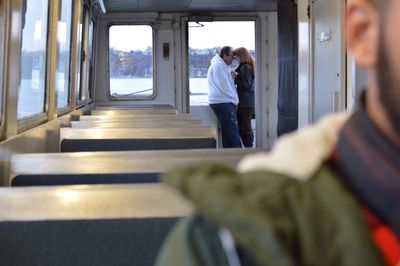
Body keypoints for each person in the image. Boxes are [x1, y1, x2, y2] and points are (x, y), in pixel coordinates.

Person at [155, 0, 400, 265]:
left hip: (239, 103)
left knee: (240, 133)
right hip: (235, 103)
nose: (234, 60)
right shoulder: (227, 246)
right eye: (233, 58)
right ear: (363, 34)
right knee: (238, 133)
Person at [207, 46, 243, 148]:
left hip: (222, 102)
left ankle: (228, 155)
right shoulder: (219, 66)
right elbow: (224, 86)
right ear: (225, 55)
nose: (233, 59)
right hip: (223, 103)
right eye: (232, 56)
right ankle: (239, 156)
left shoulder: (223, 66)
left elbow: (226, 83)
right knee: (233, 132)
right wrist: (235, 99)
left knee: (227, 133)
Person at [233, 47, 255, 148]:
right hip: (247, 102)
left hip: (246, 103)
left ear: (240, 56)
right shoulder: (247, 66)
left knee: (245, 127)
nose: (235, 59)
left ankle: (248, 148)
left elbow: (247, 86)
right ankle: (248, 147)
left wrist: (236, 78)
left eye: (235, 57)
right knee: (244, 127)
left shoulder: (245, 67)